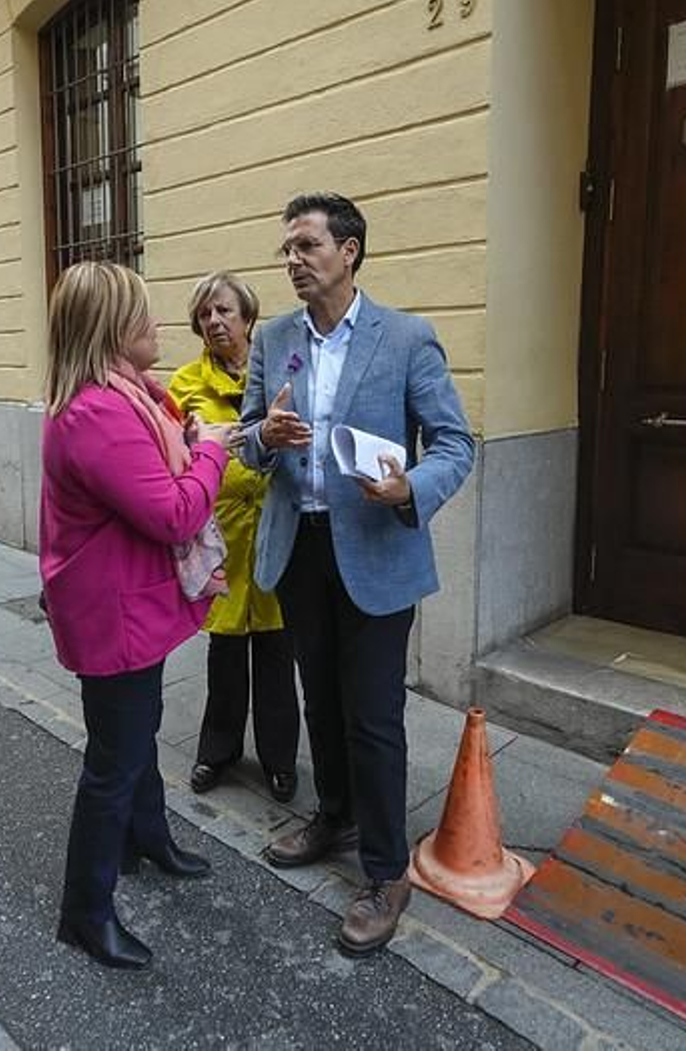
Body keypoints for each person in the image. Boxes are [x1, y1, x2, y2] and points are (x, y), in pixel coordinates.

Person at [240, 193, 474, 957]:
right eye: (288, 249)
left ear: (350, 251)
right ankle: (333, 812)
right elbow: (246, 442)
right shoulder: (274, 338)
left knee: (373, 715)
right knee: (322, 699)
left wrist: (412, 486)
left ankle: (385, 870)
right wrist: (265, 438)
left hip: (375, 548)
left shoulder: (407, 338)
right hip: (300, 546)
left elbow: (453, 444)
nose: (294, 260)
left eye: (306, 244)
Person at [40, 260, 236, 970]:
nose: (157, 324)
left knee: (138, 732)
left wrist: (196, 435)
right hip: (113, 613)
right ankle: (84, 912)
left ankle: (145, 838)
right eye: (144, 314)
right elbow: (175, 510)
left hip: (127, 603)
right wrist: (211, 449)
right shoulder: (99, 411)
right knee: (113, 761)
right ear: (112, 329)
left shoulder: (133, 398)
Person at [168, 271, 300, 804]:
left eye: (225, 311)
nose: (215, 321)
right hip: (219, 535)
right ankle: (217, 752)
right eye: (205, 314)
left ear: (248, 318)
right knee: (224, 658)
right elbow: (176, 455)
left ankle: (279, 761)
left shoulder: (281, 376)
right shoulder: (184, 385)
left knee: (275, 655)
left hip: (273, 530)